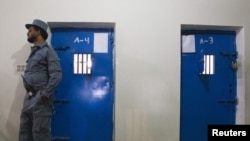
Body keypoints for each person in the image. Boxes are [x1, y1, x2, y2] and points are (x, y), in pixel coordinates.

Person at [18, 19, 62, 141]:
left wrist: (44, 94)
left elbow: (56, 75)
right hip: (29, 97)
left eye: (30, 30)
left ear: (39, 32)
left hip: (40, 97)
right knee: (24, 132)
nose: (28, 33)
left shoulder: (48, 51)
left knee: (40, 133)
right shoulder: (34, 52)